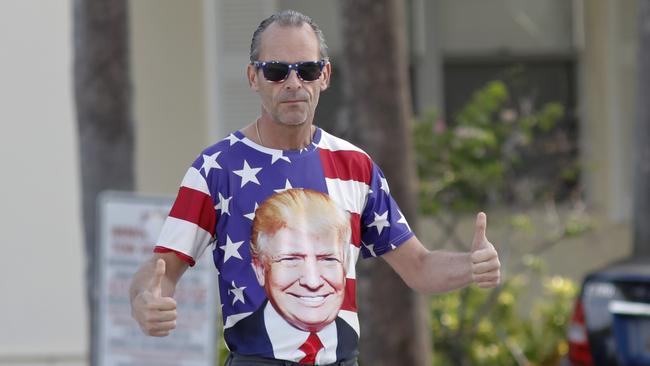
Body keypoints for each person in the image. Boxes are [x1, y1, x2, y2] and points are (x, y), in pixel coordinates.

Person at [129, 9, 500, 366]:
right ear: (252, 77)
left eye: (306, 70)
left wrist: (471, 266)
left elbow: (418, 266)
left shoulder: (355, 167)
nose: (294, 83)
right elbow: (162, 268)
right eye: (276, 71)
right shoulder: (216, 168)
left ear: (325, 75)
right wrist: (146, 299)